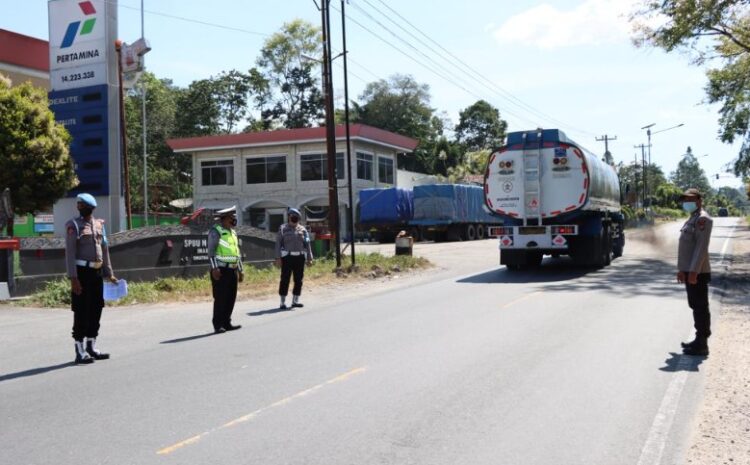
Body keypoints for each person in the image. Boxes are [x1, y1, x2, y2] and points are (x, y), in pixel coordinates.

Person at [64, 193, 118, 364]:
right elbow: (70, 253)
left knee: (96, 308)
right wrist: (73, 278)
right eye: (79, 205)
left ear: (91, 207)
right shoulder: (73, 225)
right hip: (81, 273)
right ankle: (79, 350)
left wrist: (109, 273)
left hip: (96, 273)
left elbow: (105, 249)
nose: (79, 207)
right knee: (81, 310)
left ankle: (91, 346)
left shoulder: (99, 225)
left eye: (82, 205)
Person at [677, 188, 713, 356]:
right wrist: (682, 270)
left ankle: (702, 343)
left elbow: (701, 248)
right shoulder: (692, 218)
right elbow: (686, 248)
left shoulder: (702, 219)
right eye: (685, 199)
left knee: (700, 306)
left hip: (697, 272)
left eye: (690, 199)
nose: (687, 202)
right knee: (695, 305)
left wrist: (693, 272)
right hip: (690, 270)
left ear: (699, 200)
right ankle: (699, 340)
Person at [207, 206, 243, 334]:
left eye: (234, 217)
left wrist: (240, 269)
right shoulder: (215, 231)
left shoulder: (233, 233)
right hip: (220, 270)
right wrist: (214, 268)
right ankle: (218, 324)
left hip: (232, 270)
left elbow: (236, 253)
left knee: (230, 298)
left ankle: (227, 322)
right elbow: (211, 252)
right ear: (225, 219)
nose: (234, 219)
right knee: (220, 298)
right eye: (232, 217)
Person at [275, 208, 313, 309]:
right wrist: (278, 258)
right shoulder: (282, 229)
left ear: (299, 218)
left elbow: (307, 244)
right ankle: (282, 302)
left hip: (300, 258)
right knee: (285, 279)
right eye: (292, 216)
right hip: (287, 257)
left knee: (298, 280)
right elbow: (278, 244)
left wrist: (310, 258)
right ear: (289, 217)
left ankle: (295, 301)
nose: (293, 218)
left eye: (296, 217)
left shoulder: (303, 230)